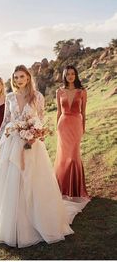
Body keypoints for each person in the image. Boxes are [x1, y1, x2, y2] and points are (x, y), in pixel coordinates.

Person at [0, 65, 88, 248]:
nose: (19, 80)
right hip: (12, 143)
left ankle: (36, 220)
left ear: (28, 78)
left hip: (32, 144)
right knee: (12, 182)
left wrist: (36, 135)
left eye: (22, 76)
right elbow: (6, 121)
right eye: (16, 77)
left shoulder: (37, 96)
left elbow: (41, 117)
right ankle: (12, 221)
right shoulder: (10, 97)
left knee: (33, 180)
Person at [54, 65, 89, 200]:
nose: (70, 76)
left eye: (72, 74)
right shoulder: (59, 91)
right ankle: (62, 187)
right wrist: (57, 127)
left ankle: (75, 188)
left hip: (76, 125)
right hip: (63, 125)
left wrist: (83, 127)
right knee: (63, 156)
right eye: (68, 74)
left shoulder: (82, 91)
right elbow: (58, 111)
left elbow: (84, 112)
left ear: (76, 75)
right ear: (64, 76)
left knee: (74, 156)